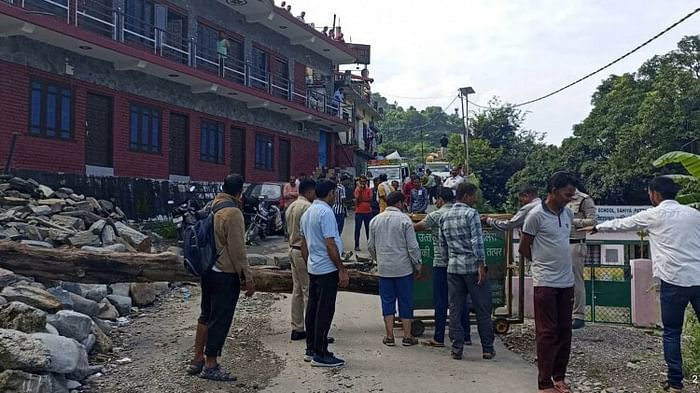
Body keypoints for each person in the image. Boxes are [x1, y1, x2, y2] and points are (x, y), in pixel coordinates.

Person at [582, 176, 700, 393]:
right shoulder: (694, 214)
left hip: (673, 280)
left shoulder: (653, 215)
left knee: (672, 332)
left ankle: (675, 383)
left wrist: (597, 228)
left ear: (655, 194)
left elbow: (622, 223)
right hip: (699, 278)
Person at [188, 174, 255, 381]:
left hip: (207, 270)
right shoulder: (233, 212)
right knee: (221, 318)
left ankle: (197, 358)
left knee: (206, 314)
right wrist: (248, 277)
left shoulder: (212, 205)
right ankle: (211, 364)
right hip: (224, 273)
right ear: (239, 191)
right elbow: (237, 250)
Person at [519, 171, 577, 393]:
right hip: (545, 281)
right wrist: (540, 266)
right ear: (553, 191)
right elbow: (525, 248)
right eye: (566, 194)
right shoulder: (535, 215)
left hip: (566, 281)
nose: (569, 198)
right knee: (546, 332)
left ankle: (559, 377)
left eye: (572, 195)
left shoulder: (568, 215)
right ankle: (544, 383)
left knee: (565, 330)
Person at [440, 182, 494, 361]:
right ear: (466, 196)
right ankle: (487, 348)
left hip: (453, 268)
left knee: (454, 309)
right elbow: (477, 242)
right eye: (473, 196)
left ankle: (457, 349)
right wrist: (481, 265)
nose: (475, 199)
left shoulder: (444, 216)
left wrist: (449, 263)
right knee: (482, 307)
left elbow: (443, 247)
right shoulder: (472, 214)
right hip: (472, 267)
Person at [300, 180, 350, 368]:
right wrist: (341, 268)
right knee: (325, 310)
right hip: (326, 268)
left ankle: (311, 348)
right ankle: (321, 353)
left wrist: (309, 263)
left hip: (314, 266)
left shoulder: (308, 212)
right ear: (330, 193)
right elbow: (330, 243)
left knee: (313, 308)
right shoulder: (326, 212)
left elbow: (303, 244)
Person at [415, 188, 472, 347]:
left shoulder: (436, 215)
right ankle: (466, 335)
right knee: (461, 300)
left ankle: (439, 337)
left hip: (440, 263)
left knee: (441, 301)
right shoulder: (462, 213)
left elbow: (417, 227)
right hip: (460, 262)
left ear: (439, 199)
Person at [369, 191, 422, 347]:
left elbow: (371, 246)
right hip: (403, 268)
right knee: (406, 301)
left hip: (385, 268)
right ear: (399, 203)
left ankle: (389, 336)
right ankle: (407, 336)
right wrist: (418, 265)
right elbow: (413, 247)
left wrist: (379, 259)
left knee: (387, 301)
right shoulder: (404, 220)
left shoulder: (375, 220)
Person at [285, 178, 316, 342]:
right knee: (309, 291)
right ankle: (313, 328)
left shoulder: (291, 206)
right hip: (302, 251)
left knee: (297, 290)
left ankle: (297, 327)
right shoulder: (308, 208)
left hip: (292, 248)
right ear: (310, 191)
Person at [566, 187, 597, 329]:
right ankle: (565, 312)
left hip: (575, 243)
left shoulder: (584, 199)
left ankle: (578, 315)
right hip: (559, 243)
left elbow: (592, 221)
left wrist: (573, 221)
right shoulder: (560, 198)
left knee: (576, 279)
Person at [353, 175, 373, 251]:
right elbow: (357, 197)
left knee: (368, 229)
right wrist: (360, 190)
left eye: (364, 182)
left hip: (367, 211)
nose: (363, 183)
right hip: (359, 211)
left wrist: (362, 199)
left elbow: (370, 198)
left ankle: (370, 245)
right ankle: (356, 245)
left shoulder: (369, 189)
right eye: (361, 182)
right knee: (357, 229)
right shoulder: (357, 189)